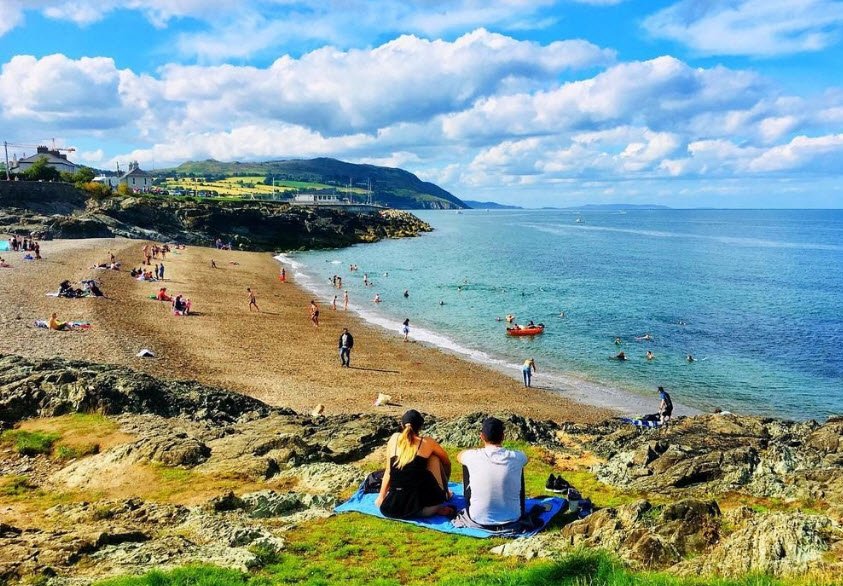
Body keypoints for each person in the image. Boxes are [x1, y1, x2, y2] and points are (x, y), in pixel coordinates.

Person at [376, 410, 453, 519]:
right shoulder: (427, 442)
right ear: (420, 427)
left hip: (391, 509)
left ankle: (440, 494)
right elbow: (446, 461)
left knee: (401, 466)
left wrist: (381, 497)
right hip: (425, 510)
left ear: (402, 425)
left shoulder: (394, 439)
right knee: (434, 458)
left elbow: (388, 471)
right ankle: (446, 494)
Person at [454, 417, 528, 528]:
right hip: (513, 516)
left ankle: (471, 501)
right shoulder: (516, 457)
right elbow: (526, 459)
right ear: (503, 437)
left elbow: (459, 456)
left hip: (477, 517)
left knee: (467, 465)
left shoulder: (473, 456)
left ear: (482, 437)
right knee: (517, 467)